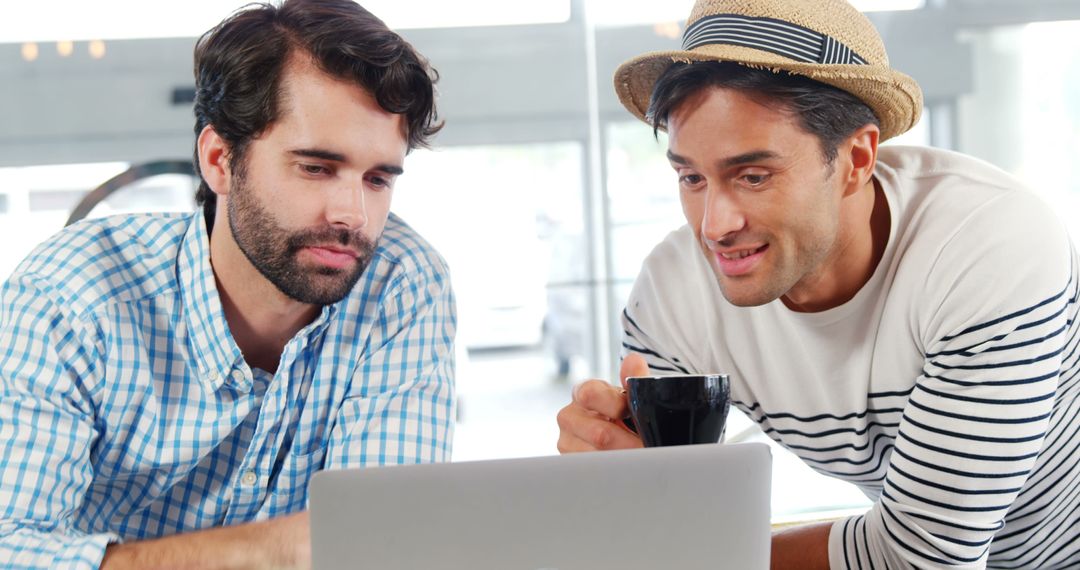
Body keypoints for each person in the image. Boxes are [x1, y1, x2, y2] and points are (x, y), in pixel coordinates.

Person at [556, 0, 1080, 568]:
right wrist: (613, 475)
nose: (714, 226)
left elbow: (920, 557)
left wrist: (709, 551)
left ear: (857, 158)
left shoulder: (988, 246)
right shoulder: (673, 295)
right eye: (691, 177)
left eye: (753, 176)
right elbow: (668, 520)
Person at [0, 1, 454, 568]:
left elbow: (385, 545)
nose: (354, 215)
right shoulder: (72, 296)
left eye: (378, 178)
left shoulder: (400, 284)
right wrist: (271, 551)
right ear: (219, 160)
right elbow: (10, 548)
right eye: (315, 167)